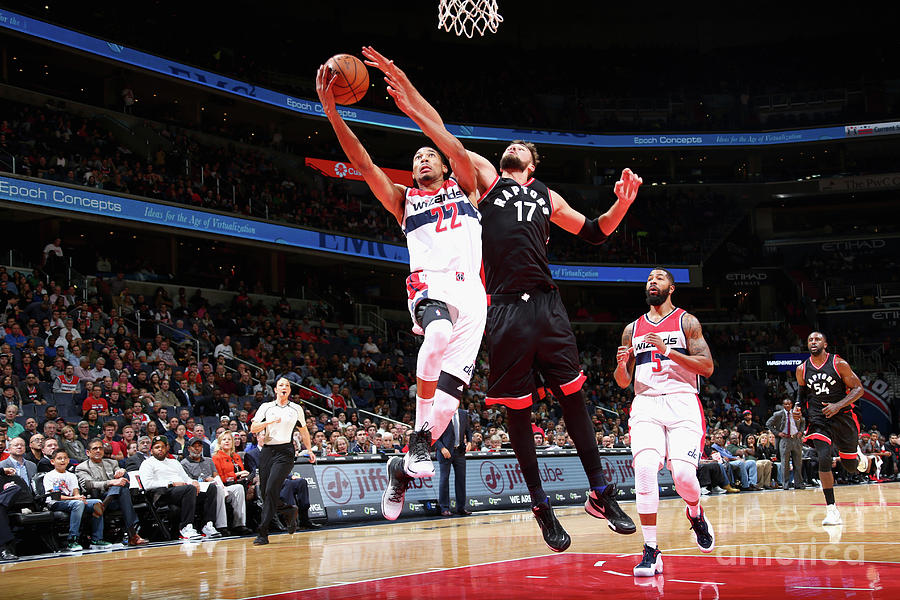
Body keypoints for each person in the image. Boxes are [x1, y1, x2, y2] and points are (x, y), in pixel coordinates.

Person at [358, 47, 639, 547]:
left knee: (576, 400)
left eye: (524, 148)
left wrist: (620, 205)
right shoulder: (483, 180)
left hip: (548, 304)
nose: (515, 146)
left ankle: (600, 491)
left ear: (532, 167)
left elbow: (595, 232)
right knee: (518, 412)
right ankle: (541, 508)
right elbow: (441, 134)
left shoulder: (547, 198)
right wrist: (408, 96)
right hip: (502, 305)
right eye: (512, 144)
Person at [316, 61, 488, 520]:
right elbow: (362, 163)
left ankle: (402, 466)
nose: (423, 159)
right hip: (430, 285)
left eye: (429, 154)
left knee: (447, 409)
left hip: (474, 297)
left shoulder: (466, 186)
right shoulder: (403, 199)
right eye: (416, 158)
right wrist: (333, 113)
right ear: (411, 172)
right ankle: (414, 447)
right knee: (433, 337)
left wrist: (413, 101)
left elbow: (450, 141)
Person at [613, 267, 716, 576]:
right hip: (645, 403)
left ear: (671, 288)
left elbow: (707, 366)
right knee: (644, 469)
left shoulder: (687, 322)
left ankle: (695, 513)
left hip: (682, 401)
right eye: (649, 279)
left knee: (684, 476)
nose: (652, 281)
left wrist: (668, 350)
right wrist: (621, 366)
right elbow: (622, 381)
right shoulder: (632, 329)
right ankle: (651, 549)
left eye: (658, 278)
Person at [796, 331, 867, 526]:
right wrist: (797, 408)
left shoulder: (838, 364)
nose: (813, 342)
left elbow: (859, 389)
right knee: (824, 458)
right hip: (819, 419)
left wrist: (838, 405)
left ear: (825, 344)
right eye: (810, 339)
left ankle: (858, 455)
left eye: (817, 339)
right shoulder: (802, 369)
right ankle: (832, 509)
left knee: (851, 467)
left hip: (843, 417)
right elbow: (801, 394)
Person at [250, 378, 314, 545]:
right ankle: (288, 509)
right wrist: (268, 422)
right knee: (265, 493)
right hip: (267, 451)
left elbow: (304, 430)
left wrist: (309, 449)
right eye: (281, 385)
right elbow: (253, 428)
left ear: (290, 390)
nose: (284, 388)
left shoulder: (296, 409)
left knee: (271, 488)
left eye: (287, 385)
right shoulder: (266, 407)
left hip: (285, 452)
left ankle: (263, 533)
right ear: (276, 390)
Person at [138, 435, 218, 540]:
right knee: (189, 489)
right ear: (152, 450)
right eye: (157, 447)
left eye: (162, 447)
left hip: (182, 491)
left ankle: (207, 525)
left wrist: (194, 482)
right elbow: (148, 484)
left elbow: (186, 478)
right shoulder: (147, 463)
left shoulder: (174, 462)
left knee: (210, 488)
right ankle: (185, 527)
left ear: (167, 448)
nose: (160, 449)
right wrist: (171, 483)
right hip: (162, 494)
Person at [75, 439, 148, 545]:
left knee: (124, 479)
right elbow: (89, 484)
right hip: (98, 497)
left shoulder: (112, 462)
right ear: (88, 452)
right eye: (95, 448)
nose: (98, 451)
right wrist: (111, 482)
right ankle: (132, 534)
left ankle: (104, 505)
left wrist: (122, 472)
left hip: (113, 500)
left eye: (100, 448)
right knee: (122, 489)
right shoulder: (82, 467)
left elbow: (123, 481)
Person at [44, 448, 109, 551]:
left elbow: (76, 492)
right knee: (77, 504)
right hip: (55, 503)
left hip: (72, 501)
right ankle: (72, 539)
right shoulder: (49, 476)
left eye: (65, 458)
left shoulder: (72, 475)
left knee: (97, 503)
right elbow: (55, 496)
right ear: (52, 461)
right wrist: (75, 498)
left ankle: (96, 539)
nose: (62, 461)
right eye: (59, 458)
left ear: (68, 460)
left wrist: (80, 497)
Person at [434, 406, 471, 516]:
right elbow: (434, 434)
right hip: (445, 452)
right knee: (444, 479)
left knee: (461, 479)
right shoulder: (441, 413)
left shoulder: (463, 413)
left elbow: (468, 430)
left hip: (459, 451)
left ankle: (461, 507)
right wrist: (442, 448)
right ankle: (444, 508)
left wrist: (469, 442)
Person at [766, 397, 805, 489]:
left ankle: (798, 483)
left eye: (789, 404)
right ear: (783, 405)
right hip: (785, 439)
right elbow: (768, 423)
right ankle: (786, 484)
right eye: (785, 404)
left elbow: (803, 422)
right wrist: (777, 433)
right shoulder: (778, 414)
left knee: (798, 463)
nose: (787, 405)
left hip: (796, 439)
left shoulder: (796, 413)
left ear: (791, 405)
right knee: (785, 463)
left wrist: (801, 431)